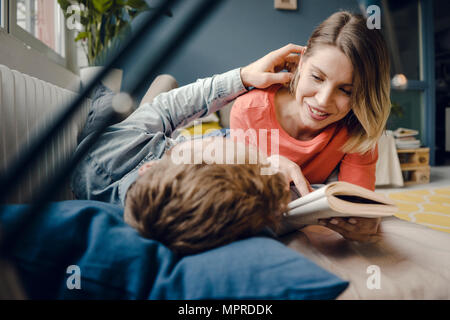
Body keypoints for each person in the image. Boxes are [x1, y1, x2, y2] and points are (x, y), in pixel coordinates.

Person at [71, 44, 302, 255]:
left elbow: (167, 108)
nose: (220, 139)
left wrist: (244, 75)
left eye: (212, 145)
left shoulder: (103, 158)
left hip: (126, 135)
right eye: (215, 143)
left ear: (151, 167)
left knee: (162, 82)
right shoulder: (207, 210)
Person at [230, 11, 391, 243]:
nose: (323, 100)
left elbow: (357, 203)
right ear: (301, 63)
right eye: (317, 77)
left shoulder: (357, 131)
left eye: (346, 90)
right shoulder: (249, 110)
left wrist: (365, 219)